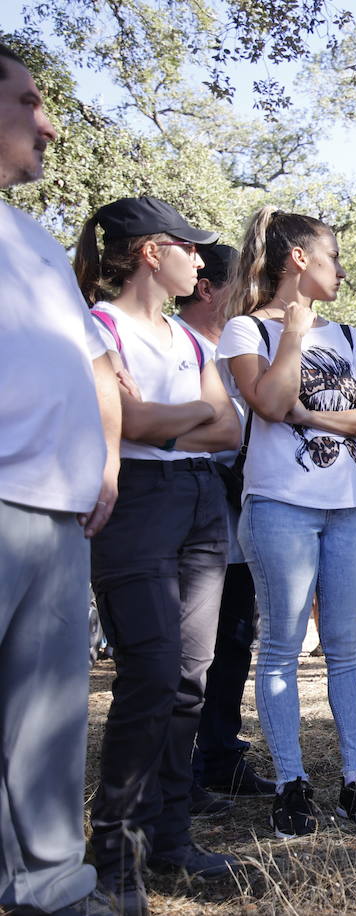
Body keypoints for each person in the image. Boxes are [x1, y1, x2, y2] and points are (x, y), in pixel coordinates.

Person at [74, 194, 243, 908]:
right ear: (152, 251)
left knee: (189, 680)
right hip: (137, 505)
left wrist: (180, 417)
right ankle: (112, 854)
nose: (200, 262)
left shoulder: (192, 339)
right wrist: (191, 413)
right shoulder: (98, 324)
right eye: (190, 248)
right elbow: (128, 420)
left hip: (203, 503)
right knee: (148, 672)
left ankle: (168, 837)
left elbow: (229, 428)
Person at [219, 206, 356, 838]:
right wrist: (292, 331)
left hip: (351, 504)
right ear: (300, 260)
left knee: (347, 647)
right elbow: (265, 402)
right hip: (280, 507)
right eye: (333, 256)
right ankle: (291, 782)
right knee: (283, 648)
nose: (340, 269)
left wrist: (310, 417)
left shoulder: (349, 337)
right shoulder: (244, 331)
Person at [0, 43, 123, 916]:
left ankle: (51, 888)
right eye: (29, 101)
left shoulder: (34, 240)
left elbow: (95, 363)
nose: (48, 122)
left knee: (45, 724)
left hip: (60, 513)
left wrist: (107, 464)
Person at [173, 243, 278, 811]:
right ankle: (177, 768)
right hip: (191, 517)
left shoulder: (249, 344)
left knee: (235, 641)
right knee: (188, 649)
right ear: (208, 287)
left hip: (241, 525)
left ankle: (220, 757)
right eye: (240, 279)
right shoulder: (176, 344)